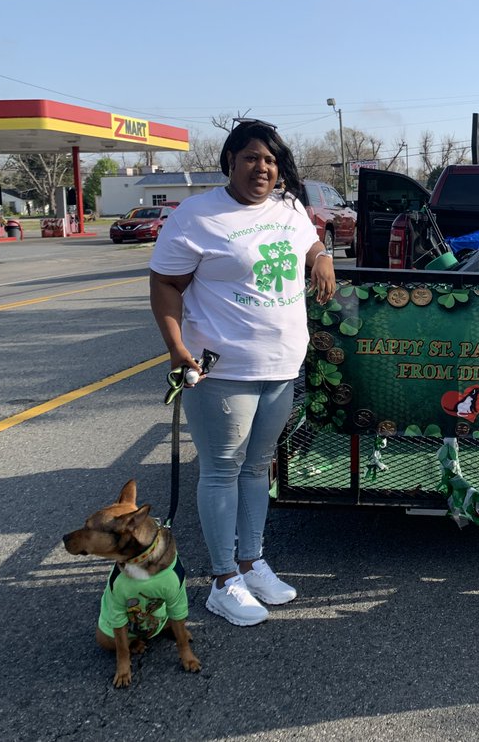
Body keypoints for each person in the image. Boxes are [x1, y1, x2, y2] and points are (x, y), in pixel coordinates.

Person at [149, 118, 336, 627]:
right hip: (221, 369)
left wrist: (322, 256)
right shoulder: (196, 216)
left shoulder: (289, 207)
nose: (262, 168)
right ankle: (222, 579)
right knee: (221, 470)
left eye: (270, 160)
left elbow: (309, 242)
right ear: (229, 161)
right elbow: (165, 284)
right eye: (251, 157)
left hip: (281, 365)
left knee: (258, 468)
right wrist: (176, 348)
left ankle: (252, 563)